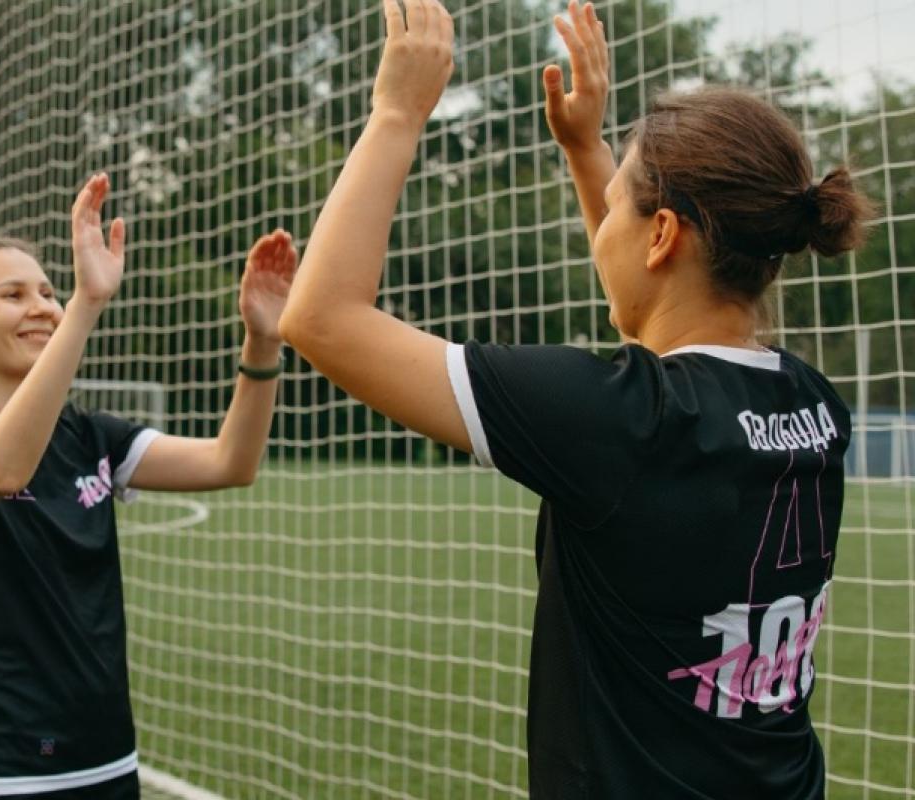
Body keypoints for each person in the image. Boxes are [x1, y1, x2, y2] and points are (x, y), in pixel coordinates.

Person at [278, 0, 873, 796]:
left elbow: (320, 320)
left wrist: (395, 113)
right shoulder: (813, 407)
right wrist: (588, 149)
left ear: (661, 235)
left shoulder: (620, 422)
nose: (603, 236)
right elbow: (657, 338)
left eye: (618, 212)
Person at [0, 171, 295, 799]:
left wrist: (263, 339)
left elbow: (230, 463)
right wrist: (86, 304)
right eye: (13, 294)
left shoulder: (87, 434)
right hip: (7, 769)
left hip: (109, 757)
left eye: (49, 291)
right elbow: (0, 472)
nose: (42, 306)